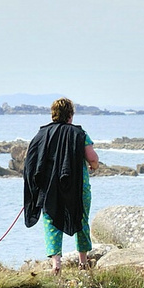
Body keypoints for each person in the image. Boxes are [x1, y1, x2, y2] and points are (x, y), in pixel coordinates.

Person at [22, 97, 100, 273]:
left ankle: (56, 263)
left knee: (51, 221)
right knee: (81, 219)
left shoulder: (42, 134)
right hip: (77, 187)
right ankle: (83, 262)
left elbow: (31, 160)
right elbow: (93, 158)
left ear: (53, 114)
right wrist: (93, 167)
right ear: (70, 115)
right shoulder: (80, 134)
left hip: (50, 188)